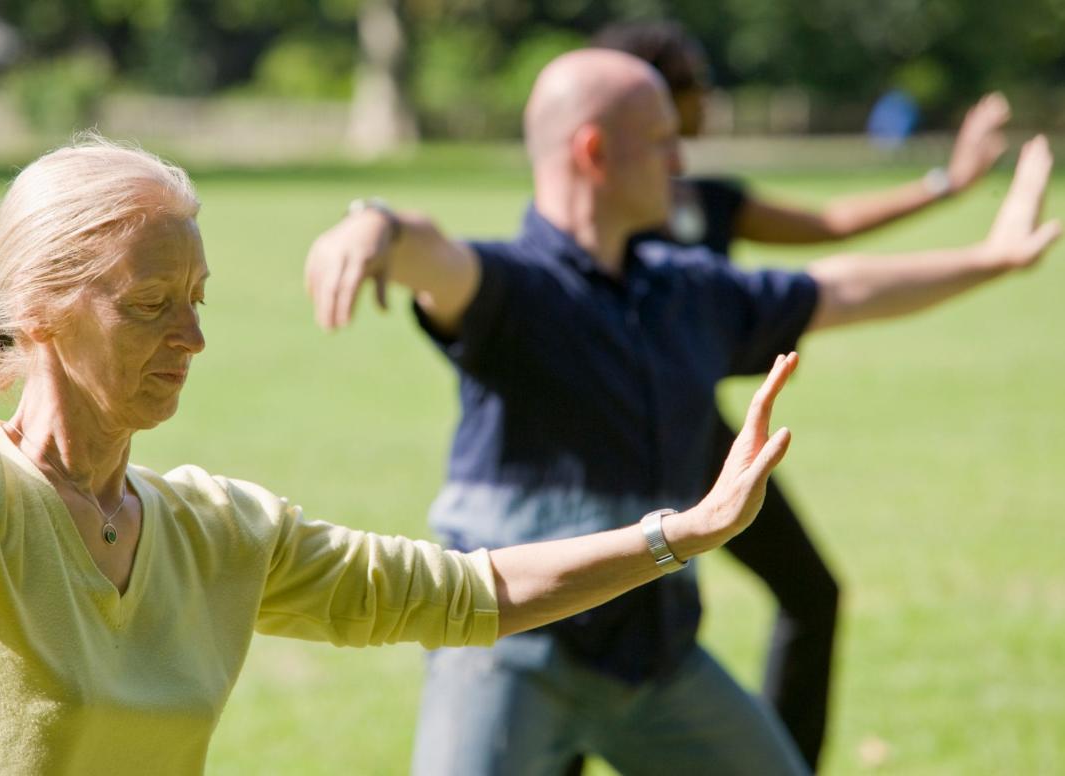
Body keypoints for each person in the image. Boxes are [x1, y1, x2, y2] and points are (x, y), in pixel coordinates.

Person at [0, 136, 800, 776]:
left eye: (196, 301)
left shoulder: (217, 532)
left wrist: (682, 532)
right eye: (148, 306)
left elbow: (468, 593)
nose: (191, 340)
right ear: (38, 312)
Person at [303, 49, 1058, 775]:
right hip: (507, 660)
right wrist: (376, 225)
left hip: (656, 663)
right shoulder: (515, 289)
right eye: (662, 142)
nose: (679, 161)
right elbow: (433, 257)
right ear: (594, 151)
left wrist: (993, 260)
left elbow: (840, 286)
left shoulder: (688, 291)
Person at [589, 21, 1013, 768]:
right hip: (610, 437)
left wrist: (950, 182)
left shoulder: (712, 202)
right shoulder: (599, 211)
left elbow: (829, 228)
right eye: (692, 82)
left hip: (701, 434)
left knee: (809, 594)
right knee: (594, 627)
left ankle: (782, 762)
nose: (707, 98)